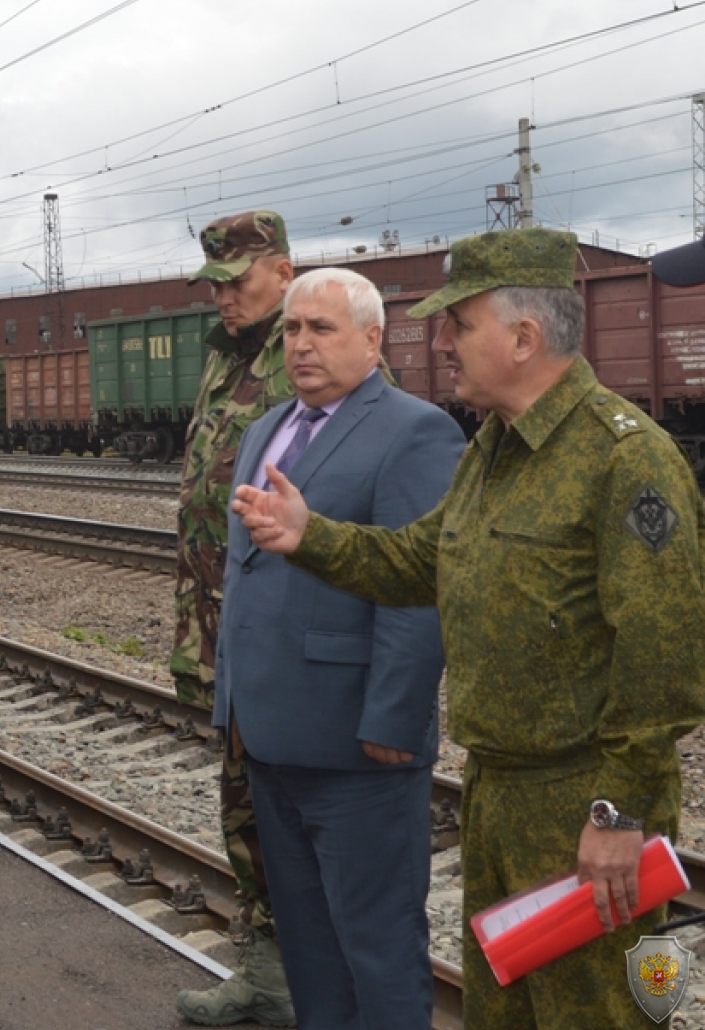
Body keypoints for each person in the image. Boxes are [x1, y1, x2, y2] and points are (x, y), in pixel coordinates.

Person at [232, 228, 705, 1030]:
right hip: (498, 791)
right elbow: (421, 562)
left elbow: (666, 658)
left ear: (523, 338)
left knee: (596, 1014)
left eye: (461, 323)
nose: (441, 342)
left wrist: (620, 815)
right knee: (506, 1011)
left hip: (583, 803)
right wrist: (310, 535)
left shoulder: (625, 458)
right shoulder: (495, 449)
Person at [213, 269, 464, 1030]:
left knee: (377, 943)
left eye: (321, 329)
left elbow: (418, 585)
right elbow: (247, 574)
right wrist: (232, 702)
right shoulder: (268, 427)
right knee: (310, 943)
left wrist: (394, 717)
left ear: (373, 338)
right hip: (269, 732)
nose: (301, 345)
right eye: (292, 330)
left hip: (357, 742)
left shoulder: (415, 431)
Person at [167, 210, 297, 1027]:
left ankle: (289, 981)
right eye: (215, 283)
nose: (224, 297)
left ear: (283, 270)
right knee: (242, 802)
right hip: (222, 625)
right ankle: (268, 975)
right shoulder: (229, 362)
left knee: (275, 806)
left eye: (238, 280)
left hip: (275, 633)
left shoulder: (306, 356)